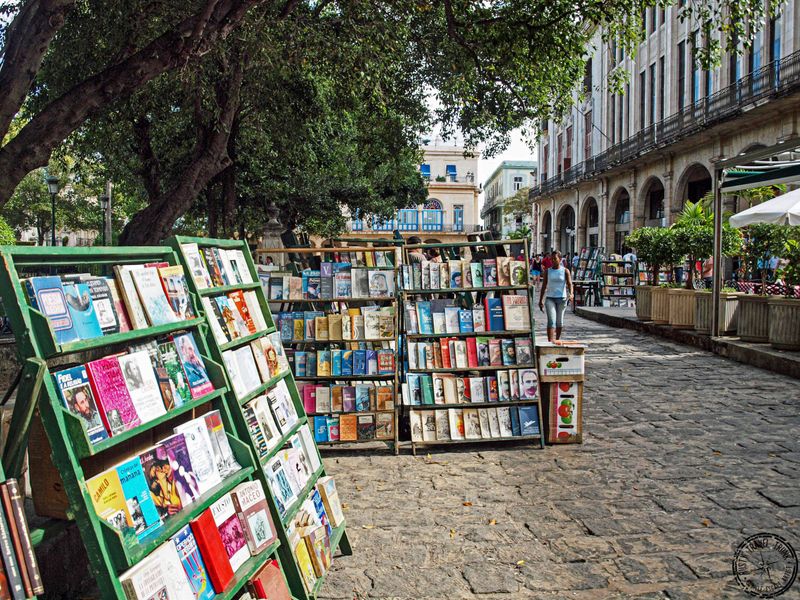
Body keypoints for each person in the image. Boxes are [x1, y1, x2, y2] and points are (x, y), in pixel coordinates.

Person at [539, 250, 573, 342]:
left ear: (560, 259)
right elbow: (544, 286)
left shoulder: (565, 271)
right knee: (551, 321)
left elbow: (570, 284)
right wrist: (540, 300)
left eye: (555, 259)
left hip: (562, 299)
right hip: (550, 298)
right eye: (551, 259)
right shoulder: (547, 271)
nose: (553, 261)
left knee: (559, 321)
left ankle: (557, 340)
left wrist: (571, 294)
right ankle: (550, 341)